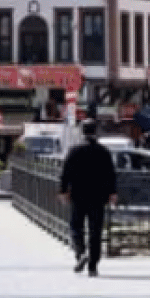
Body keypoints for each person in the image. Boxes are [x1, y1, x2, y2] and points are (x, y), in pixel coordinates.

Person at [58, 119, 118, 278]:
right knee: (95, 230)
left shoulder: (74, 150)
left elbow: (66, 172)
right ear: (95, 131)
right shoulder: (103, 151)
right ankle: (93, 265)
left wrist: (63, 191)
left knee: (76, 226)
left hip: (78, 194)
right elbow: (110, 174)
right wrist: (112, 192)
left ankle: (80, 252)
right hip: (98, 196)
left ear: (82, 131)